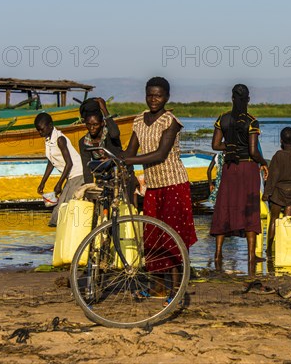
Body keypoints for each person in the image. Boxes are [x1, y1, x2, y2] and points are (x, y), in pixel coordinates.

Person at [123, 77, 197, 297]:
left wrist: (129, 162)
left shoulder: (170, 121)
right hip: (154, 186)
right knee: (153, 236)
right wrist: (118, 160)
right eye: (149, 95)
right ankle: (157, 285)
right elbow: (130, 151)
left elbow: (161, 153)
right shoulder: (138, 121)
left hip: (173, 183)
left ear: (167, 97)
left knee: (171, 236)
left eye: (158, 95)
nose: (153, 100)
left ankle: (175, 288)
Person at [210, 84, 269, 276]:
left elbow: (215, 145)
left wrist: (230, 146)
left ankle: (218, 254)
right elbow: (253, 151)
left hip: (229, 168)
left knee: (224, 206)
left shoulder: (223, 118)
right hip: (248, 168)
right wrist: (263, 162)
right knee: (249, 209)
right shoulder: (252, 121)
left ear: (232, 98)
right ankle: (251, 256)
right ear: (248, 100)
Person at [78, 97, 136, 204]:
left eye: (95, 124)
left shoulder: (110, 134)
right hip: (104, 180)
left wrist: (105, 110)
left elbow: (115, 133)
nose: (92, 128)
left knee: (125, 206)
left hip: (122, 176)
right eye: (88, 125)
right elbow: (87, 168)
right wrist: (89, 187)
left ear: (102, 123)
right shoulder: (84, 142)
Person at [34, 112, 84, 227]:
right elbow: (51, 162)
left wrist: (59, 184)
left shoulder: (60, 139)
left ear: (50, 126)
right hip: (70, 177)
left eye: (41, 130)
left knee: (67, 206)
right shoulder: (48, 140)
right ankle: (58, 239)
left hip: (78, 174)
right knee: (59, 209)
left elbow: (69, 163)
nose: (40, 133)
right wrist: (43, 182)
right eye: (38, 130)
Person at [262, 127, 291, 257]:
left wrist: (267, 193)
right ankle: (284, 247)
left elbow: (273, 176)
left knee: (274, 219)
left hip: (279, 190)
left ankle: (268, 249)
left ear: (280, 140)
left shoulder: (278, 155)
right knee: (287, 220)